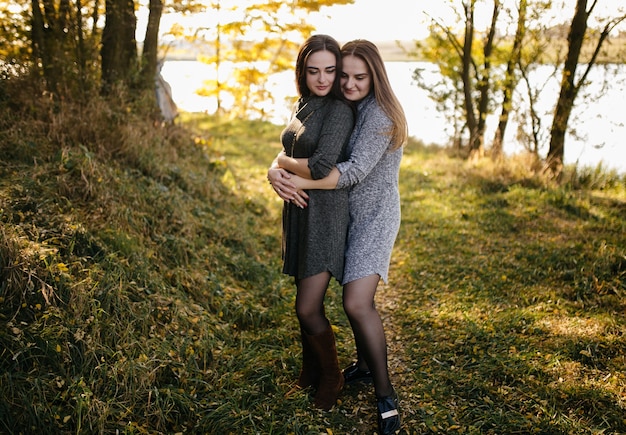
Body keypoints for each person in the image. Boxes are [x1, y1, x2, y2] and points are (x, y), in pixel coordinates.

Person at [269, 39, 407, 435]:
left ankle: (386, 396)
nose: (347, 83)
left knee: (357, 303)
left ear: (375, 76)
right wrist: (276, 167)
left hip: (373, 219)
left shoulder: (380, 114)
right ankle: (363, 366)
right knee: (347, 303)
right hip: (343, 213)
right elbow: (308, 144)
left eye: (358, 77)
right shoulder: (342, 105)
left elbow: (350, 172)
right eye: (343, 74)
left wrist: (284, 169)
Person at [267, 34, 355, 411]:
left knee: (308, 306)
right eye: (314, 70)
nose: (323, 79)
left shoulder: (339, 111)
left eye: (330, 71)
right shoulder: (304, 104)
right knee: (301, 301)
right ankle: (310, 371)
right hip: (299, 211)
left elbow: (321, 165)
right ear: (303, 71)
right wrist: (274, 169)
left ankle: (332, 377)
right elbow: (288, 149)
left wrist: (279, 166)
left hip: (325, 216)